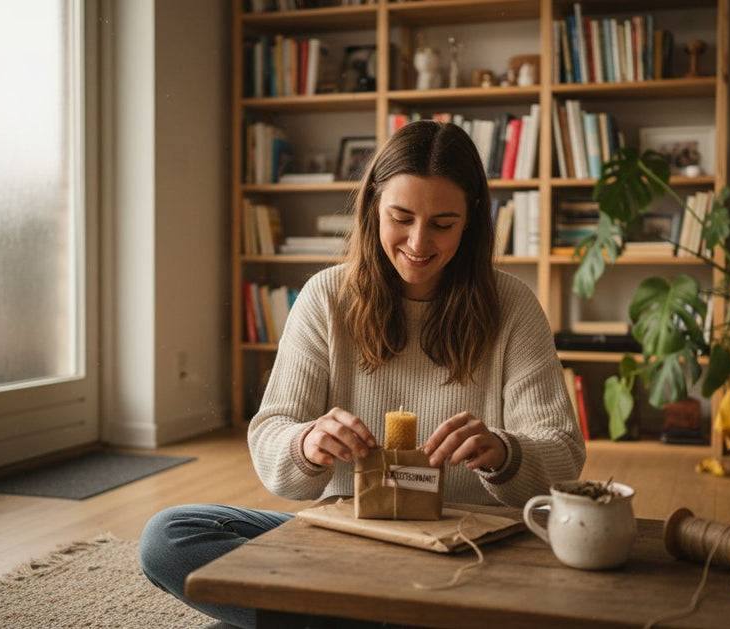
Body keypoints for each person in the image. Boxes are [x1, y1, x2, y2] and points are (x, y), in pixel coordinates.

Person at [139, 120, 586, 628]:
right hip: (348, 543)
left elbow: (563, 455)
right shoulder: (326, 297)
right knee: (169, 536)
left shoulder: (513, 306)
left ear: (471, 221)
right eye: (401, 217)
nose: (419, 242)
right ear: (374, 206)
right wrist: (307, 443)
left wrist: (505, 453)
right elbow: (271, 435)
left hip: (471, 549)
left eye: (443, 224)